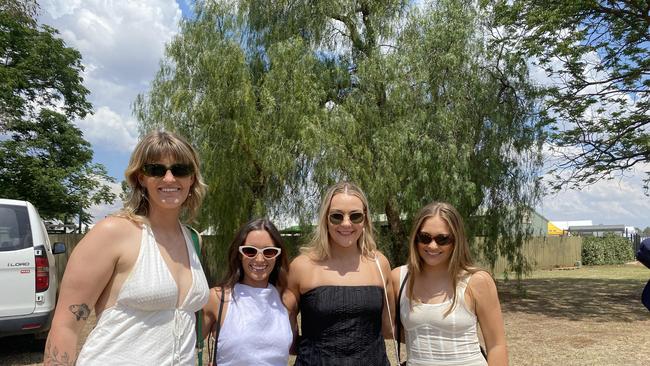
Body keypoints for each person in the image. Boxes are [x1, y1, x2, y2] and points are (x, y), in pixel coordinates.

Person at [44, 131, 209, 366]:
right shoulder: (112, 233)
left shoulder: (193, 240)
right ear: (141, 178)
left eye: (180, 170)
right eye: (156, 170)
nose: (170, 179)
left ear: (192, 178)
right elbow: (66, 326)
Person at [284, 181, 394, 366]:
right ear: (325, 219)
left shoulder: (380, 264)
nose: (346, 223)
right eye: (336, 216)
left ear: (365, 219)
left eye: (355, 216)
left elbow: (389, 328)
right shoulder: (301, 266)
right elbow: (285, 331)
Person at [391, 201, 508, 366]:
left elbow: (497, 345)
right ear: (415, 238)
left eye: (442, 239)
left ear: (456, 240)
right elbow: (387, 328)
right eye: (424, 237)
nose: (432, 245)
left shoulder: (477, 281)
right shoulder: (399, 278)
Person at [202, 218, 292, 365]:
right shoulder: (217, 298)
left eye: (269, 252)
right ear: (239, 253)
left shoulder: (286, 299)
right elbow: (185, 347)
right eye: (250, 251)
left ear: (278, 256)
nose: (259, 259)